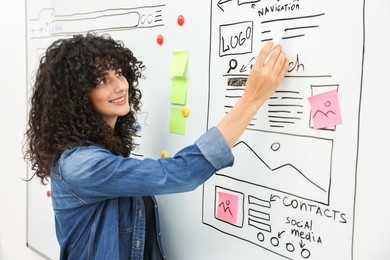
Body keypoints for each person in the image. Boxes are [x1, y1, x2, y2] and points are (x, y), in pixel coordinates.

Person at [24, 33, 288, 260]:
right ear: (76, 98)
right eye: (101, 80)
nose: (119, 86)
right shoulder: (82, 165)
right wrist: (251, 99)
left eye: (118, 73)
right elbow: (179, 173)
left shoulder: (107, 150)